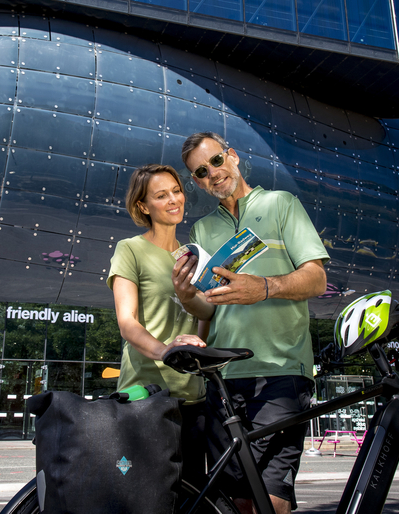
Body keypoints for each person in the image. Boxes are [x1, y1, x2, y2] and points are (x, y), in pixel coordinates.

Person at [172, 131, 329, 514]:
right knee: (236, 503)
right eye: (201, 172)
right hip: (224, 376)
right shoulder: (202, 231)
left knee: (269, 501)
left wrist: (265, 286)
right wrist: (186, 296)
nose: (213, 174)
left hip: (280, 372)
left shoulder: (281, 204)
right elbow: (210, 308)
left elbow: (317, 279)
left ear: (233, 156)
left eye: (216, 161)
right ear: (196, 181)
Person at [107, 163, 210, 484]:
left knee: (191, 495)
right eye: (161, 195)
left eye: (177, 192)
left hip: (193, 397)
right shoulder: (130, 249)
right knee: (143, 494)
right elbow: (127, 323)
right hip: (145, 395)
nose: (173, 200)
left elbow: (205, 318)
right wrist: (167, 351)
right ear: (143, 205)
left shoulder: (194, 255)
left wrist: (196, 343)